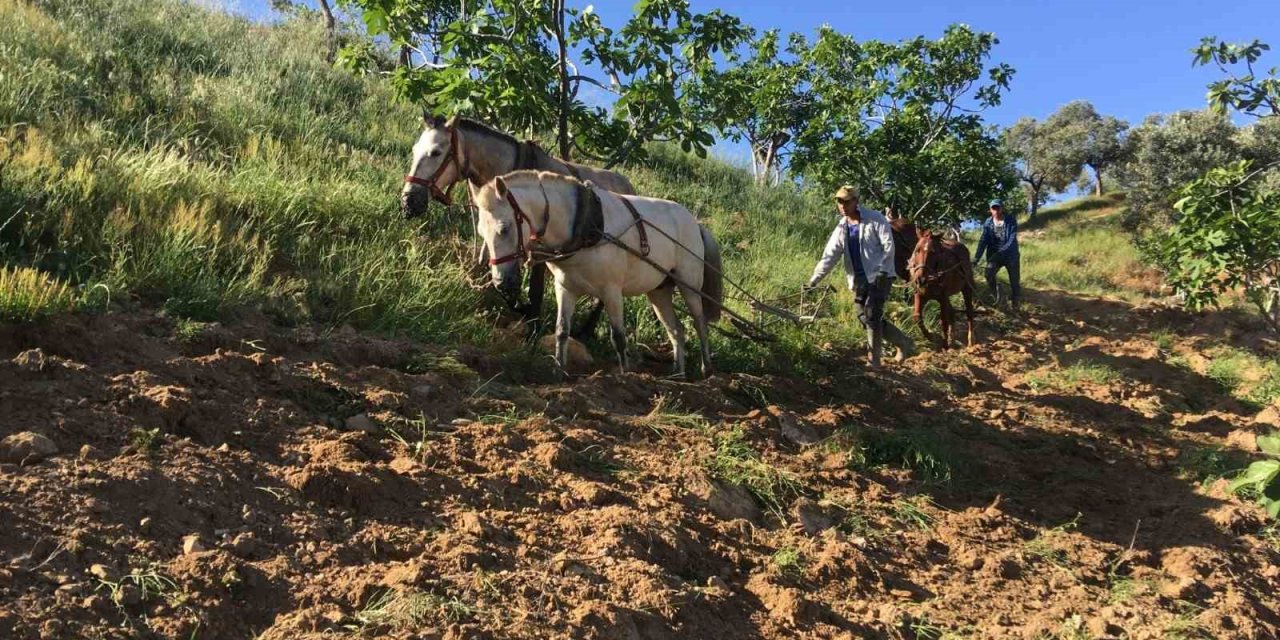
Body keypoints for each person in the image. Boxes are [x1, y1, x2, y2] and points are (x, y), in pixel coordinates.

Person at [805, 185, 916, 367]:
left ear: (856, 201)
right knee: (863, 316)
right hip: (859, 280)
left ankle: (874, 361)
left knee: (872, 313)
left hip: (881, 275)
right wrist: (813, 280)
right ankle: (903, 341)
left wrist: (882, 270)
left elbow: (889, 247)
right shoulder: (842, 227)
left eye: (847, 202)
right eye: (839, 201)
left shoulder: (875, 219)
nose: (842, 206)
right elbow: (830, 256)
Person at [973, 199, 1021, 309]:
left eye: (998, 207)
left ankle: (1015, 302)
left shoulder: (1010, 220)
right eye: (993, 208)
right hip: (994, 256)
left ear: (1002, 208)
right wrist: (976, 258)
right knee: (988, 274)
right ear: (990, 210)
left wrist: (1000, 252)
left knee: (1014, 281)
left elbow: (1011, 239)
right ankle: (998, 298)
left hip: (1011, 255)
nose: (996, 210)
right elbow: (983, 241)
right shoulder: (988, 222)